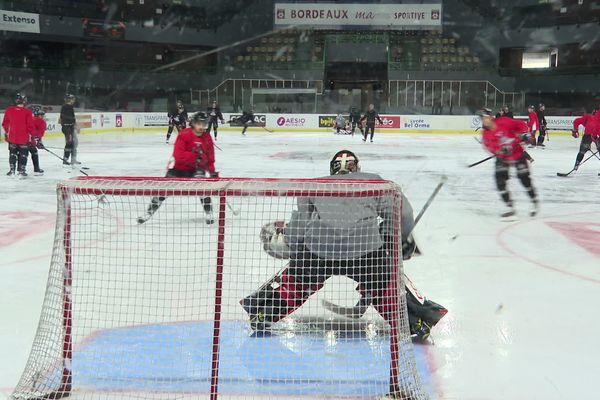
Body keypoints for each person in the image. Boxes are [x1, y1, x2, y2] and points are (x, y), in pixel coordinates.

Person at [240, 150, 447, 342]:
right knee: (386, 287)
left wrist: (288, 242)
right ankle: (415, 322)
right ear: (356, 167)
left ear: (332, 169)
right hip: (366, 252)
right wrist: (393, 238)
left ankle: (263, 314)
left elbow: (300, 226)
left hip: (318, 251)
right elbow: (403, 215)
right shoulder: (375, 182)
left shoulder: (314, 185)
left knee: (295, 284)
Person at [138, 112, 218, 225]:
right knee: (164, 190)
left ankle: (209, 213)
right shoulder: (184, 134)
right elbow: (178, 155)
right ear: (193, 123)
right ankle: (149, 213)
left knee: (203, 189)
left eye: (204, 124)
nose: (201, 127)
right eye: (199, 124)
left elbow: (210, 157)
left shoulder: (207, 137)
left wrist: (212, 171)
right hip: (178, 168)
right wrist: (195, 156)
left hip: (196, 169)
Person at [479, 108, 538, 218]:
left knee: (524, 178)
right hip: (502, 158)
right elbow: (489, 147)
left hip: (517, 154)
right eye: (482, 119)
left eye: (486, 118)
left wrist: (525, 134)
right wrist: (499, 151)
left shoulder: (504, 121)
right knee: (500, 181)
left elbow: (520, 124)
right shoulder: (486, 134)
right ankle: (510, 207)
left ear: (491, 117)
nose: (484, 121)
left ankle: (534, 201)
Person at [2, 93, 34, 177]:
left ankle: (12, 170)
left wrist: (7, 133)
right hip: (24, 138)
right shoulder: (28, 112)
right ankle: (21, 171)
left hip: (12, 137)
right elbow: (30, 126)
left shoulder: (9, 110)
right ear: (24, 101)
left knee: (12, 153)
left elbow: (5, 123)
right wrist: (34, 136)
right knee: (23, 154)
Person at [571, 107, 600, 171]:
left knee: (582, 151)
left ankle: (576, 165)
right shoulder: (589, 117)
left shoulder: (588, 116)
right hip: (596, 135)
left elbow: (576, 121)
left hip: (589, 134)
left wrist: (575, 130)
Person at [60, 94, 78, 166]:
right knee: (69, 143)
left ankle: (73, 159)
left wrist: (74, 123)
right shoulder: (65, 106)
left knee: (73, 143)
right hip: (66, 127)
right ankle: (65, 159)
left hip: (70, 127)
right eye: (72, 99)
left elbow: (72, 117)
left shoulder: (70, 107)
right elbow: (63, 116)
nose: (73, 100)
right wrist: (71, 121)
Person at [29, 106, 46, 175]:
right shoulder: (41, 122)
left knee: (22, 154)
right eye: (40, 115)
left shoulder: (29, 119)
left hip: (24, 140)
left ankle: (20, 169)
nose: (42, 116)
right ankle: (36, 169)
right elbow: (39, 134)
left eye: (42, 115)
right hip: (31, 140)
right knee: (34, 152)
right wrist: (38, 141)